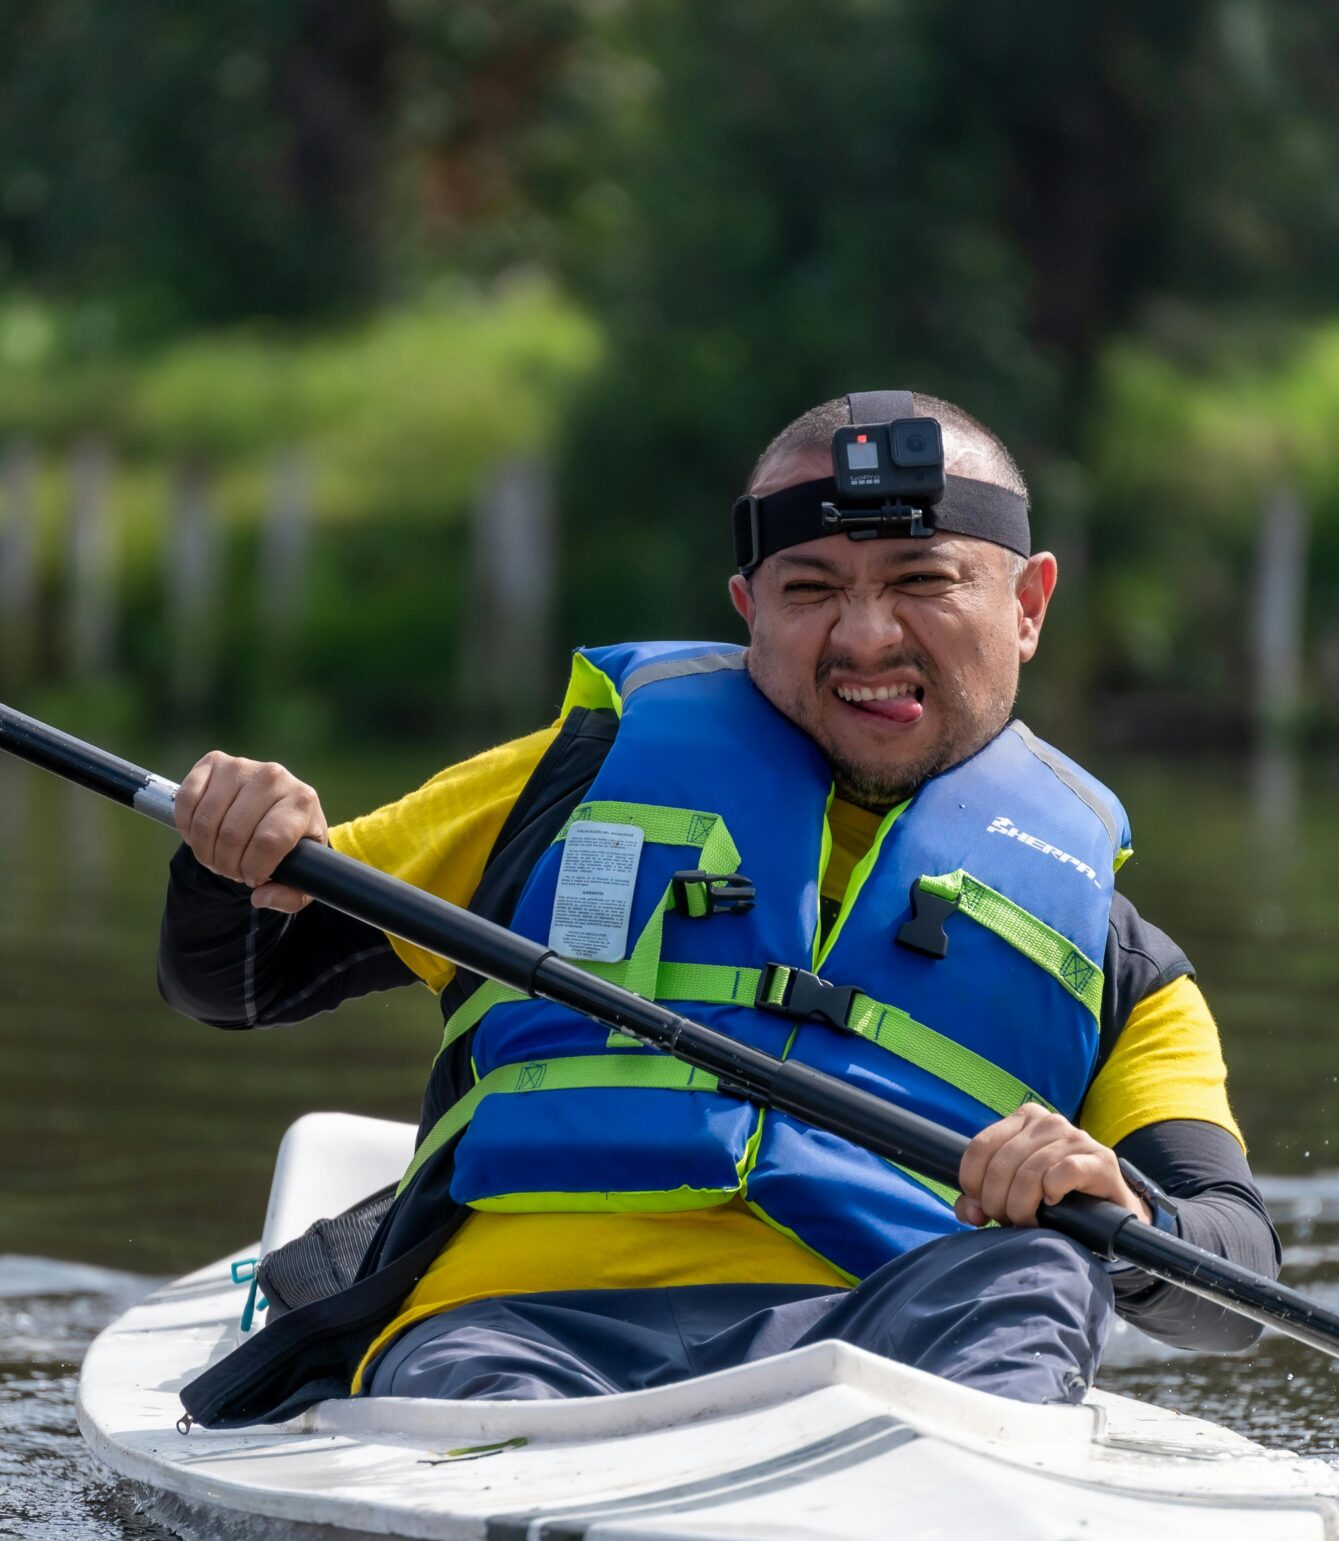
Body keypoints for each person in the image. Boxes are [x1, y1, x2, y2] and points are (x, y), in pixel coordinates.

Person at [163, 391, 1277, 1428]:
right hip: (524, 1331)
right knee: (491, 1388)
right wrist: (232, 846)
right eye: (810, 589)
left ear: (1027, 604)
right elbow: (239, 974)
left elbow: (1232, 1276)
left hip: (891, 1360)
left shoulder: (1116, 961)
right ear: (747, 609)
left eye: (920, 581)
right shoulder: (564, 784)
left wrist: (1120, 1206)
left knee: (1039, 1267)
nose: (864, 637)